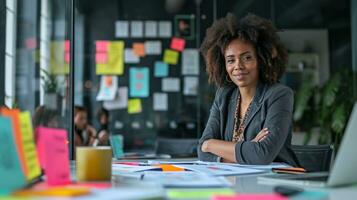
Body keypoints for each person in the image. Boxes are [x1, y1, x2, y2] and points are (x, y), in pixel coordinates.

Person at [198, 13, 299, 166]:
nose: (238, 66)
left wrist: (212, 145)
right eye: (231, 60)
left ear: (261, 59)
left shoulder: (279, 95)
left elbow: (261, 155)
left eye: (247, 58)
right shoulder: (224, 95)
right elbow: (201, 149)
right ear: (223, 64)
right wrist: (247, 150)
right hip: (234, 179)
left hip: (273, 180)